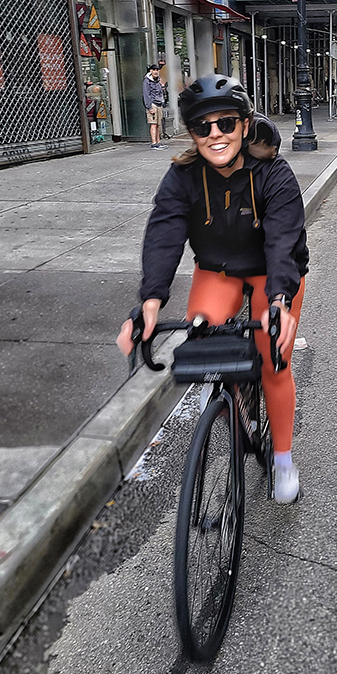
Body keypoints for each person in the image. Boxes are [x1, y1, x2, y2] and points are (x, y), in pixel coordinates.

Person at [116, 74, 309, 503]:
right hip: (218, 270)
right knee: (203, 335)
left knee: (274, 360)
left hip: (269, 272)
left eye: (225, 123)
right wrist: (150, 301)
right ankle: (232, 401)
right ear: (192, 133)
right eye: (204, 127)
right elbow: (164, 233)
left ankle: (281, 458)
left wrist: (280, 301)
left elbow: (283, 243)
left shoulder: (274, 174)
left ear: (244, 124)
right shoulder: (183, 177)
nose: (215, 134)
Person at [143, 63, 167, 149]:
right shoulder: (147, 81)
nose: (156, 72)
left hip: (159, 103)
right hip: (152, 104)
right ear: (151, 71)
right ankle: (154, 143)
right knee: (153, 124)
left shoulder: (158, 81)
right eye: (154, 70)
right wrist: (149, 107)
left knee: (158, 124)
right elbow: (146, 94)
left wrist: (163, 86)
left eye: (157, 70)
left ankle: (158, 142)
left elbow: (161, 93)